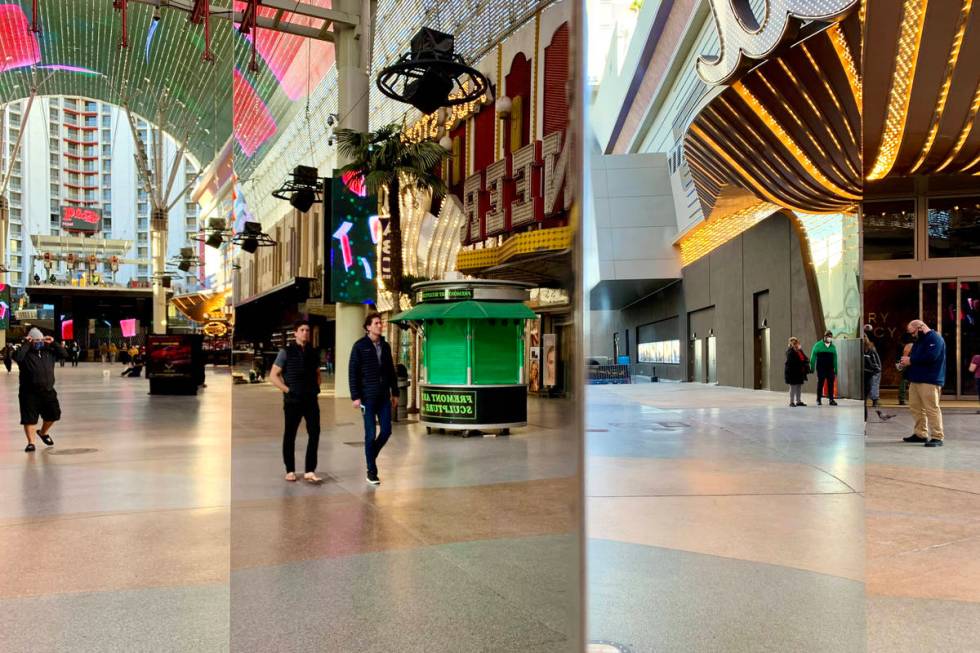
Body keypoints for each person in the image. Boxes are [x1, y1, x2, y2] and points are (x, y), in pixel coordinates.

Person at [269, 319, 323, 483]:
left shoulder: (313, 352)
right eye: (302, 330)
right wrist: (288, 390)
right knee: (290, 434)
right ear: (295, 333)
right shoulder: (285, 352)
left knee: (314, 433)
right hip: (293, 400)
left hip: (311, 400)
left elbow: (317, 373)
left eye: (307, 330)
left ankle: (310, 470)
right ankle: (290, 470)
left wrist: (315, 387)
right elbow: (273, 376)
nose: (305, 332)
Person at [349, 312, 399, 486]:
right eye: (377, 323)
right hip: (367, 398)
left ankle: (371, 454)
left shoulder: (385, 346)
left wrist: (396, 393)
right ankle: (371, 471)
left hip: (384, 397)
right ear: (368, 327)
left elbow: (391, 372)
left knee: (386, 431)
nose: (380, 325)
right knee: (370, 435)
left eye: (381, 323)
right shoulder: (359, 346)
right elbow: (353, 372)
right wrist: (355, 396)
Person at [13, 328, 67, 452]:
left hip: (48, 390)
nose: (39, 342)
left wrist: (53, 343)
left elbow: (64, 354)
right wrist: (26, 344)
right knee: (29, 418)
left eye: (40, 340)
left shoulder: (49, 351)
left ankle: (42, 433)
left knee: (54, 415)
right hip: (29, 392)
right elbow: (18, 358)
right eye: (36, 340)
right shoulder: (25, 353)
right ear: (30, 340)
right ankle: (31, 443)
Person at [901, 319, 946, 447]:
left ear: (920, 327)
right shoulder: (919, 341)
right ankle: (921, 433)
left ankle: (937, 436)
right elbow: (914, 358)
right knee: (916, 407)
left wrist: (911, 360)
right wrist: (905, 363)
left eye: (913, 332)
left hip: (930, 380)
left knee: (931, 408)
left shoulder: (935, 339)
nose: (912, 335)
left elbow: (932, 357)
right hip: (916, 379)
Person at [810, 330, 839, 406]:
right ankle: (818, 399)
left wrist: (836, 369)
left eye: (831, 337)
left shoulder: (833, 347)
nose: (829, 338)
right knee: (820, 383)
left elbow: (835, 359)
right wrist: (812, 367)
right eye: (828, 336)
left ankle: (831, 399)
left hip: (830, 368)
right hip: (821, 368)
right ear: (824, 336)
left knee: (831, 384)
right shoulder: (818, 345)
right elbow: (813, 356)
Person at [784, 337, 809, 407]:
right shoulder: (789, 352)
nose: (795, 344)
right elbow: (793, 362)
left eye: (796, 343)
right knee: (793, 387)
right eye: (793, 343)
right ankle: (791, 402)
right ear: (790, 344)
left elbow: (805, 358)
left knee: (799, 386)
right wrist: (802, 362)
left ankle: (798, 401)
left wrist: (806, 361)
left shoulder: (800, 351)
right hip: (792, 372)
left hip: (799, 372)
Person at [863, 335, 882, 409]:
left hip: (873, 370)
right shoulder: (864, 348)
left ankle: (875, 401)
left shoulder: (870, 349)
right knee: (868, 386)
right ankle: (872, 401)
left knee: (874, 384)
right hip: (867, 370)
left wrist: (877, 369)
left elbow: (876, 361)